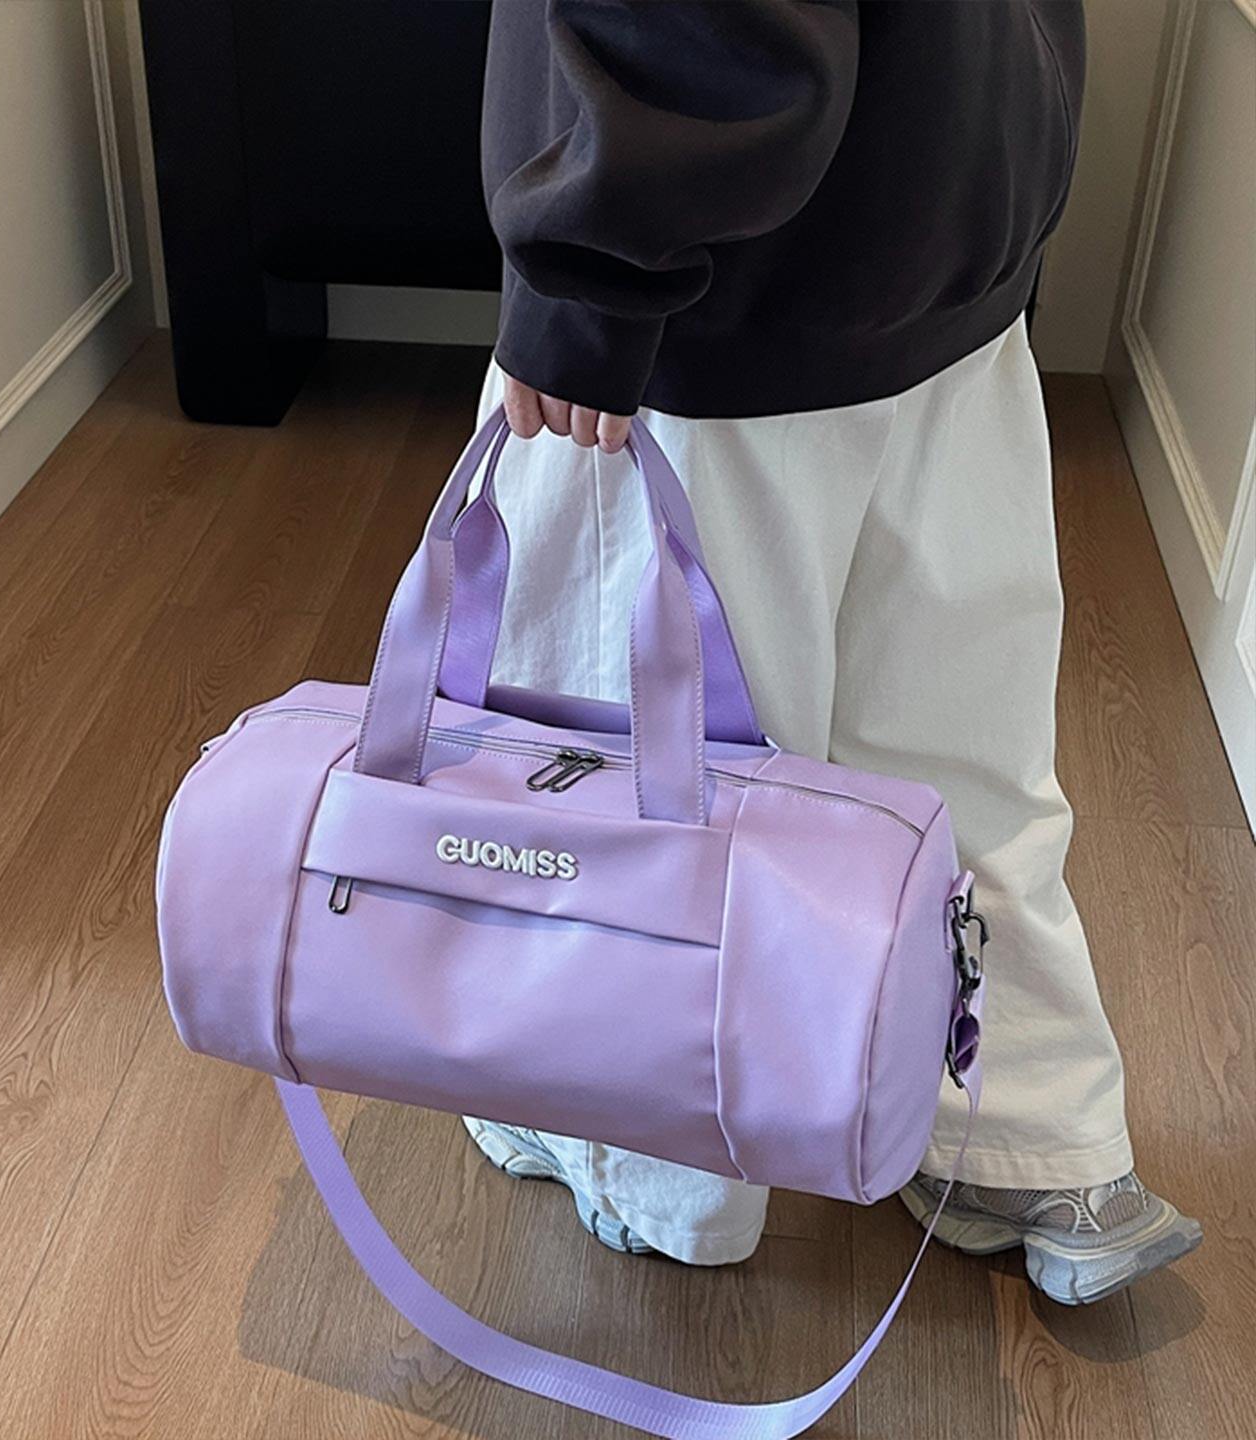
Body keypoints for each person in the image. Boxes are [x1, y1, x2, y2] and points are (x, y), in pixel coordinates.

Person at [459, 0, 1201, 1304]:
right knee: (960, 759)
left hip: (717, 299)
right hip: (948, 223)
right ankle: (1022, 1134)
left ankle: (658, 1172)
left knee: (649, 779)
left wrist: (591, 271)